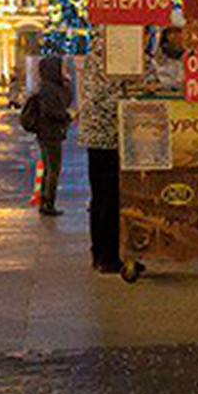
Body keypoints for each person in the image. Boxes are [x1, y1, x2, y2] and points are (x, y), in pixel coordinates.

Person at [79, 30, 135, 273]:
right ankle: (106, 255)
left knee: (108, 197)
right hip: (105, 137)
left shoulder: (111, 55)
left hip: (109, 136)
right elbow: (100, 98)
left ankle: (108, 252)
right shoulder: (102, 57)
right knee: (107, 197)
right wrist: (133, 99)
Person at [23, 55, 74, 217]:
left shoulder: (45, 87)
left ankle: (45, 200)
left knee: (47, 166)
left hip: (45, 132)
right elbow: (56, 109)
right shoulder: (50, 90)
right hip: (51, 132)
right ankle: (48, 202)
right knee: (53, 169)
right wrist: (67, 116)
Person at [147, 16, 186, 93]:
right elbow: (149, 79)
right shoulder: (156, 57)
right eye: (170, 32)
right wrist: (151, 84)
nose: (174, 36)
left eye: (178, 32)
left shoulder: (195, 57)